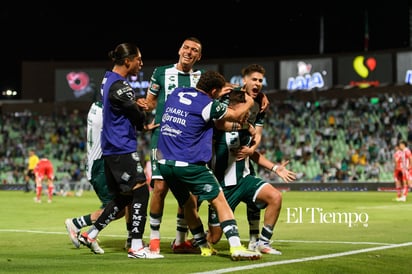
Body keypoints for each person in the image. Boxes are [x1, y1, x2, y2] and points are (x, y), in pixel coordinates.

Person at [156, 70, 261, 260]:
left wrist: (225, 90)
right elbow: (237, 114)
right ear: (214, 91)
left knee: (188, 203)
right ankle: (236, 247)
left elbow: (217, 124)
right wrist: (251, 102)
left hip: (164, 162)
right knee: (219, 200)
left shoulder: (177, 92)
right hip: (189, 164)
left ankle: (204, 247)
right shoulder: (208, 105)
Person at [78, 42, 163, 259]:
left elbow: (125, 106)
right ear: (127, 61)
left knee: (125, 197)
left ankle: (91, 234)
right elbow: (136, 116)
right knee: (142, 191)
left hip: (112, 146)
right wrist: (141, 113)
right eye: (138, 59)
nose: (141, 64)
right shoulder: (121, 86)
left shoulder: (108, 79)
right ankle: (136, 245)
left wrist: (135, 103)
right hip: (120, 146)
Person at [207, 88, 296, 254]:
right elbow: (218, 122)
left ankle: (263, 243)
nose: (247, 114)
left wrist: (276, 168)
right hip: (222, 188)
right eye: (244, 110)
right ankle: (187, 241)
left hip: (244, 180)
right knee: (214, 238)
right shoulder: (216, 126)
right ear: (232, 109)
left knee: (275, 197)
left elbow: (252, 154)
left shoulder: (247, 129)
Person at [136, 37, 203, 254]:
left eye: (194, 50)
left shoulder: (200, 78)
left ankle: (180, 241)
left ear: (198, 56)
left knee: (188, 193)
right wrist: (140, 105)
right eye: (186, 47)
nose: (189, 52)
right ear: (179, 50)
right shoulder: (161, 72)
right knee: (160, 188)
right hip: (163, 138)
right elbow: (152, 102)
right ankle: (154, 241)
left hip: (189, 141)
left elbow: (224, 90)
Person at [215, 64, 270, 251]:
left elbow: (259, 134)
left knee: (254, 199)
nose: (257, 84)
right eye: (254, 79)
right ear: (244, 80)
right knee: (212, 233)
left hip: (243, 149)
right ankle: (188, 237)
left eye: (260, 81)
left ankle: (255, 239)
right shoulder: (230, 95)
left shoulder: (260, 104)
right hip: (221, 151)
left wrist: (252, 148)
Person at [64, 101, 128, 253]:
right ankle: (77, 224)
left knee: (126, 201)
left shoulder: (95, 107)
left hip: (97, 164)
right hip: (101, 167)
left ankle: (130, 239)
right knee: (116, 208)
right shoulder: (105, 113)